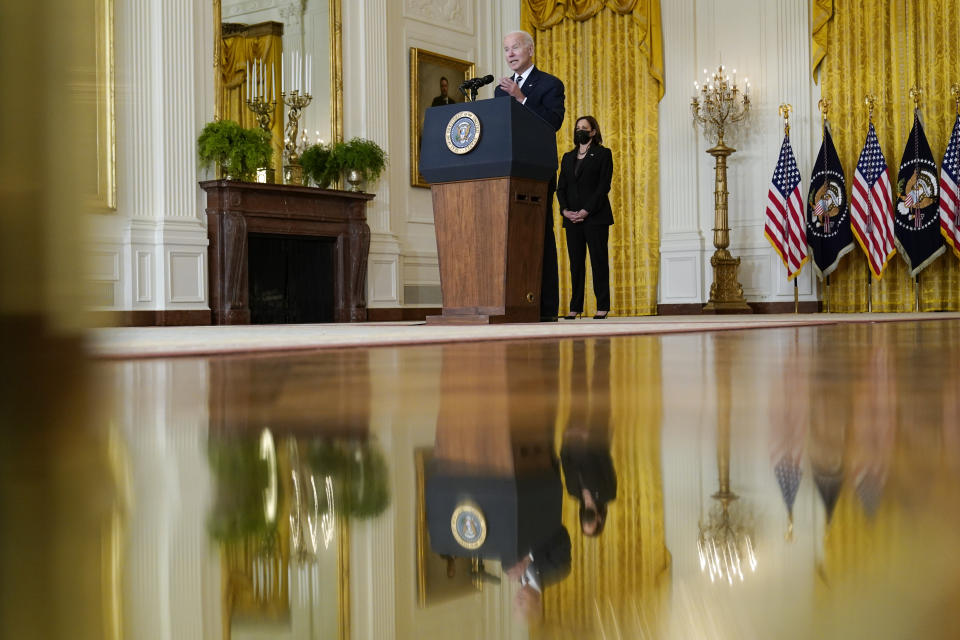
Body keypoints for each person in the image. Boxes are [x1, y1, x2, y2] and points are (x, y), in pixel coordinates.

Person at [495, 30, 565, 322]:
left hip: (537, 170)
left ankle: (545, 308)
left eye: (515, 48)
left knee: (540, 235)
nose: (510, 54)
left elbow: (553, 122)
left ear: (530, 50)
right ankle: (511, 304)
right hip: (508, 172)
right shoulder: (499, 91)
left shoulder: (549, 84)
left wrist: (521, 98)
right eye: (506, 49)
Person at [556, 116, 613, 319]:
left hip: (595, 217)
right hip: (572, 218)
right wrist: (565, 210)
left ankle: (603, 305)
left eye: (584, 128)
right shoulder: (567, 157)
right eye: (577, 127)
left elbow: (603, 187)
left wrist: (586, 210)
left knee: (598, 262)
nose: (580, 130)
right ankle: (575, 307)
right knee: (576, 264)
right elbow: (561, 188)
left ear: (593, 132)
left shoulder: (603, 154)